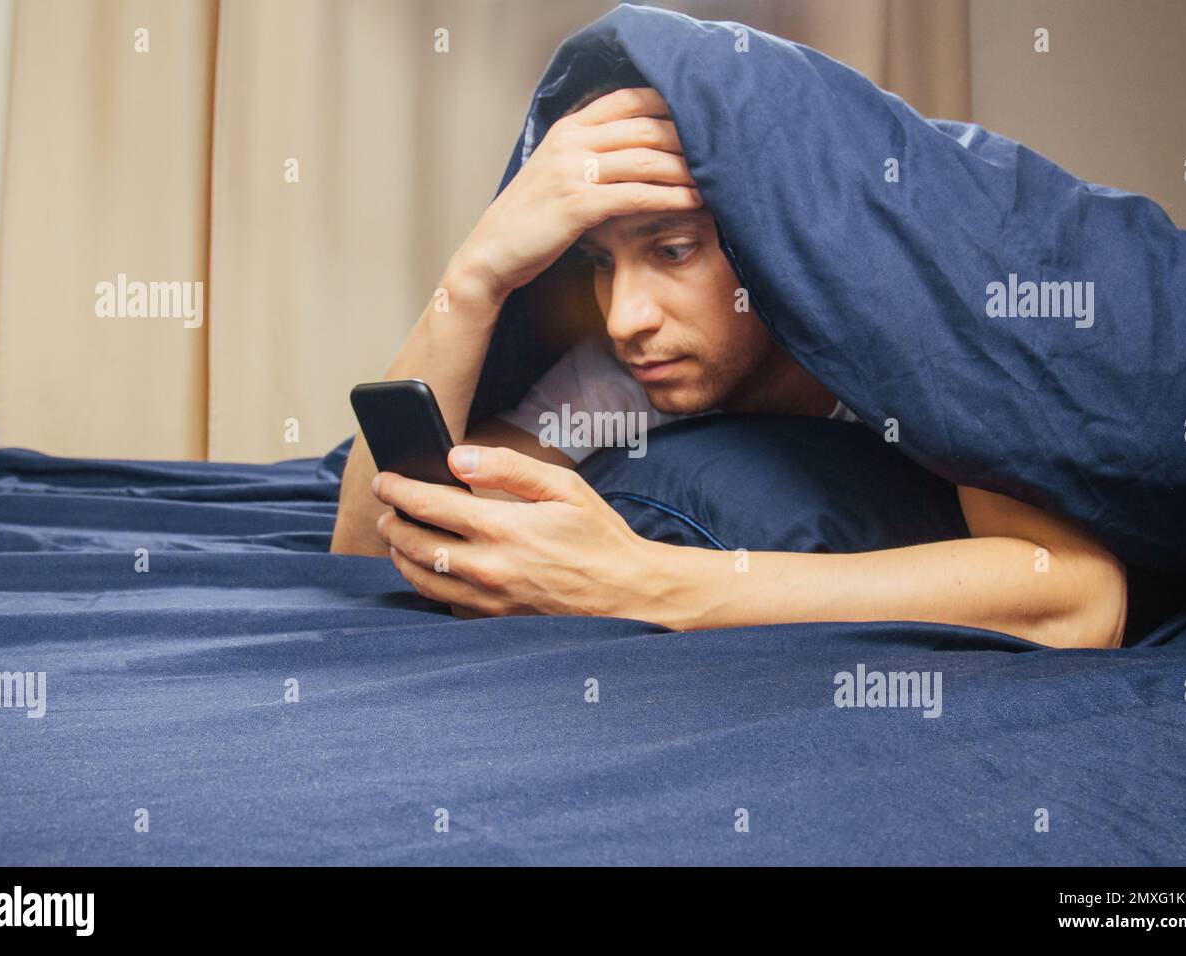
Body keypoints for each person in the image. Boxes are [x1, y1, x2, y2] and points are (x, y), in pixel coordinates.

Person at [330, 86, 1126, 649]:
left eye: (673, 250)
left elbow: (1078, 600)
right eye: (600, 262)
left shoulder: (916, 339)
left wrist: (641, 582)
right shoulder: (623, 369)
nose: (624, 317)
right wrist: (474, 279)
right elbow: (374, 553)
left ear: (770, 243)